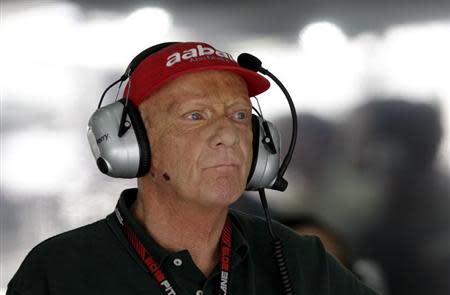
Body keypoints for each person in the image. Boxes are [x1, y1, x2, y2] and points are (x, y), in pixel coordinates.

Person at [7, 41, 377, 295]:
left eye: (239, 115)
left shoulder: (299, 259)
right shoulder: (58, 272)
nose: (228, 135)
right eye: (195, 115)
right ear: (131, 141)